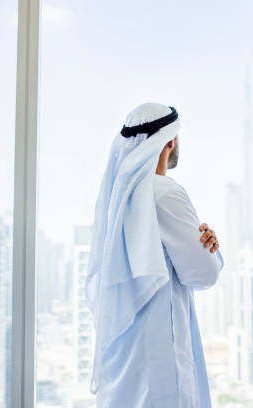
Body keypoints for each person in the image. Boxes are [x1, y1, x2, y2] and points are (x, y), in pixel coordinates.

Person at [86, 102, 224, 407]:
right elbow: (203, 273)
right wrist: (214, 251)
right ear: (170, 141)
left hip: (122, 364)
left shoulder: (115, 200)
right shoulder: (164, 193)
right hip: (162, 367)